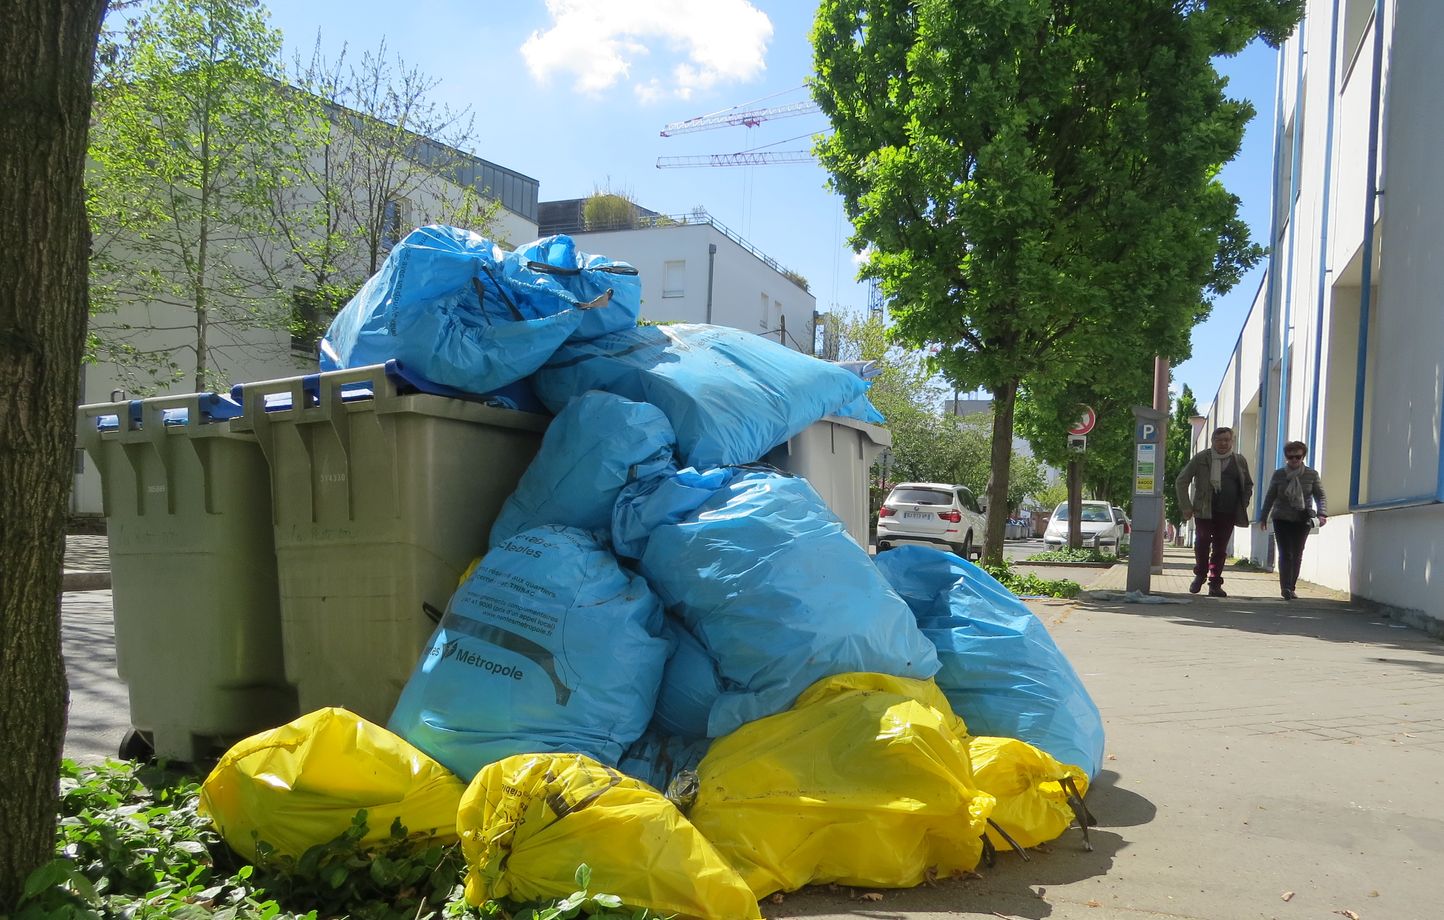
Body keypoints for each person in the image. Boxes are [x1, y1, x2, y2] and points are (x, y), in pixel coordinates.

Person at [1175, 427, 1254, 597]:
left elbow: (1248, 484)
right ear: (1213, 441)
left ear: (1232, 441)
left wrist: (1243, 502)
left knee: (1220, 548)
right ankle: (1200, 574)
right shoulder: (1202, 458)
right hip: (1204, 509)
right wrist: (1186, 506)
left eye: (1227, 440)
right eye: (1220, 440)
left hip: (1228, 511)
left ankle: (1215, 582)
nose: (1224, 443)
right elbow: (1182, 481)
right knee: (1202, 542)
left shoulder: (1239, 460)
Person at [1260, 440, 1328, 600]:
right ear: (1286, 457)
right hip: (1281, 518)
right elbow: (1270, 496)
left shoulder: (1311, 474)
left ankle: (1291, 587)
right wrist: (1263, 517)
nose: (1294, 460)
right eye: (1290, 457)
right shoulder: (1279, 474)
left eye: (1297, 456)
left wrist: (1322, 514)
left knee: (1297, 553)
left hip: (1302, 518)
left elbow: (1320, 495)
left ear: (1303, 456)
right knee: (1285, 553)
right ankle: (1285, 588)